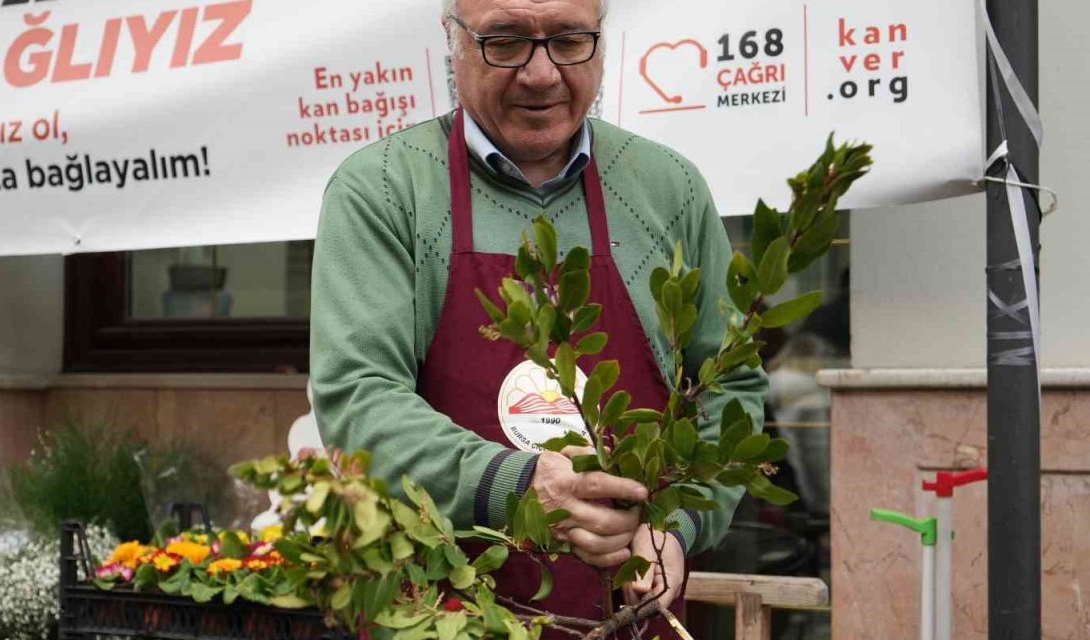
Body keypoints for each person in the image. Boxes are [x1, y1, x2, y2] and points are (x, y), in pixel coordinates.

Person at [309, 0, 768, 632]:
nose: (542, 72)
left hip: (632, 613)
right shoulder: (384, 190)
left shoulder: (669, 189)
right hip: (435, 611)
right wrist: (518, 484)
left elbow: (729, 387)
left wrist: (679, 526)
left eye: (569, 39)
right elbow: (357, 401)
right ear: (453, 41)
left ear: (601, 42)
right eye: (506, 40)